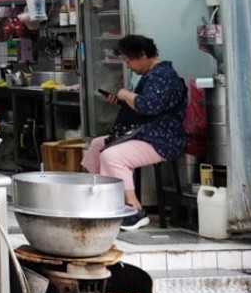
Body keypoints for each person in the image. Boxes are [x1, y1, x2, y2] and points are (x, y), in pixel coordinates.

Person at [81, 33, 189, 226]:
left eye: (128, 61)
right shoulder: (151, 75)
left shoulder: (163, 76)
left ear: (142, 55)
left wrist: (125, 93)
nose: (128, 66)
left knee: (112, 156)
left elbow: (147, 106)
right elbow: (141, 108)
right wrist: (121, 101)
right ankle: (103, 198)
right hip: (146, 132)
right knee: (97, 145)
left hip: (163, 138)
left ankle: (133, 209)